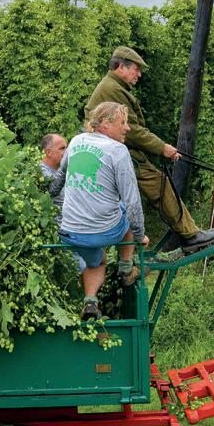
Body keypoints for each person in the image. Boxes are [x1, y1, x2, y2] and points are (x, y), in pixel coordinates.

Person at [84, 46, 214, 251]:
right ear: (121, 67)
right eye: (136, 69)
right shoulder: (112, 89)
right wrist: (162, 148)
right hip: (116, 154)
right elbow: (132, 131)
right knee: (160, 185)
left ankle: (181, 236)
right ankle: (190, 236)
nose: (139, 74)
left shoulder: (112, 86)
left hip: (112, 152)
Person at [60, 102, 148, 320]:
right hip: (103, 233)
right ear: (106, 124)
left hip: (70, 232)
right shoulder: (118, 151)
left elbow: (59, 178)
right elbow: (133, 204)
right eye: (123, 122)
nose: (127, 128)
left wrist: (47, 192)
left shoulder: (76, 141)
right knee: (125, 208)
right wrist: (139, 237)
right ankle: (126, 267)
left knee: (97, 262)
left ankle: (90, 301)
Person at [37, 133, 68, 215]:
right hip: (57, 220)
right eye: (62, 148)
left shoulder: (62, 168)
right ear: (48, 152)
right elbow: (52, 190)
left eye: (67, 148)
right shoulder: (40, 171)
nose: (67, 152)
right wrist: (64, 168)